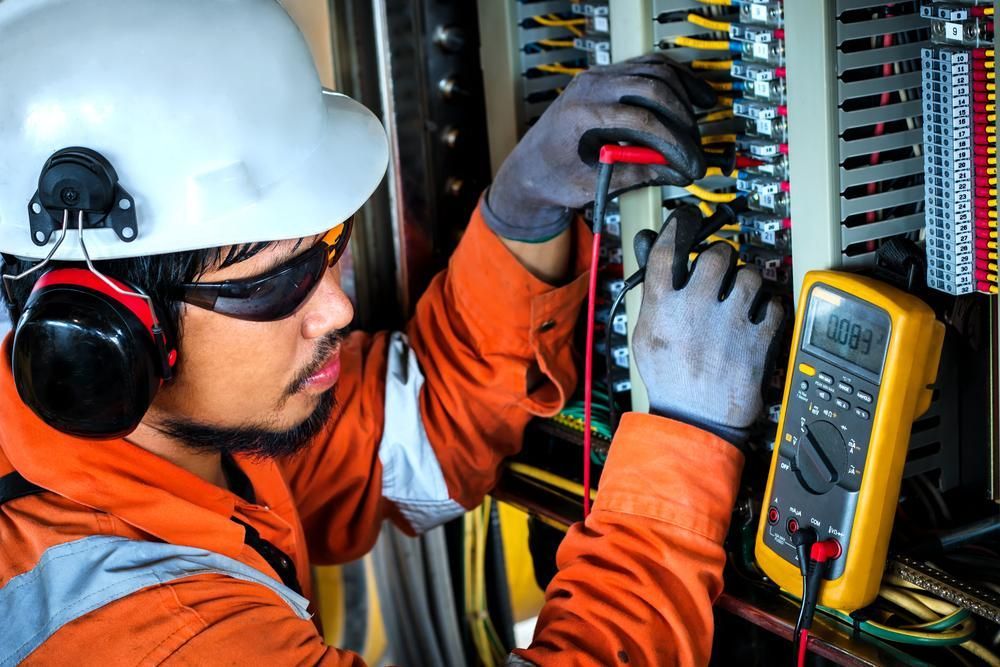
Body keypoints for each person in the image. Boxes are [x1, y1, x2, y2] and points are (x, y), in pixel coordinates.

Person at [0, 1, 781, 664]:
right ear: (103, 333)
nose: (337, 308)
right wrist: (683, 448)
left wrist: (522, 218)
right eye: (272, 282)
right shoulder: (156, 636)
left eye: (328, 250)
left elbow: (405, 433)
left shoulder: (163, 438)